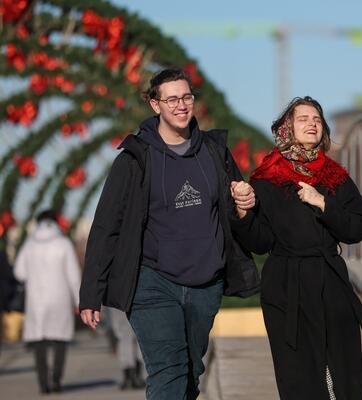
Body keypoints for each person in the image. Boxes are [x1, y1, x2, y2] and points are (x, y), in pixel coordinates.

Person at [78, 67, 259, 400]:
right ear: (154, 104)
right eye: (171, 98)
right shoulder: (135, 159)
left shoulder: (214, 152)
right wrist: (91, 291)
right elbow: (106, 226)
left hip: (206, 281)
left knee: (191, 371)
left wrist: (244, 204)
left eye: (186, 97)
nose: (181, 105)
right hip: (152, 281)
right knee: (168, 369)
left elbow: (236, 213)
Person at [230, 96, 362, 399]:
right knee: (299, 379)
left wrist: (323, 203)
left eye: (317, 119)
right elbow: (260, 241)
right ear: (287, 128)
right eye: (303, 118)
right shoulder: (267, 179)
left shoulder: (336, 178)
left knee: (342, 375)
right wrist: (243, 212)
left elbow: (358, 227)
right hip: (286, 289)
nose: (312, 123)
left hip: (331, 283)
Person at [14, 210, 81, 394]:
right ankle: (57, 380)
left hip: (36, 300)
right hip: (60, 298)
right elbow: (74, 276)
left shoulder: (29, 244)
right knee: (60, 339)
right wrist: (79, 301)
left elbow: (19, 272)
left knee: (39, 342)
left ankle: (43, 384)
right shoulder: (63, 243)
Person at [104, 307, 145, 390]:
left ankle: (129, 376)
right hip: (132, 301)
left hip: (116, 302)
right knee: (137, 334)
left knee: (124, 337)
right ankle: (136, 376)